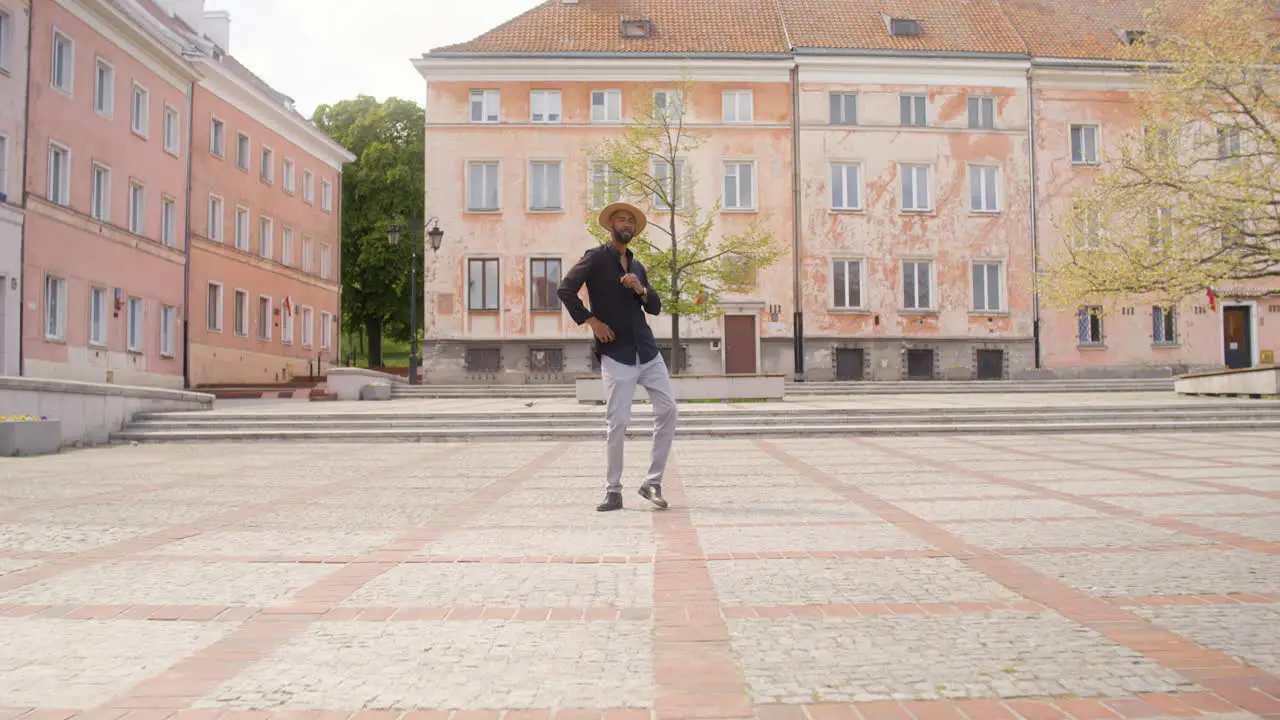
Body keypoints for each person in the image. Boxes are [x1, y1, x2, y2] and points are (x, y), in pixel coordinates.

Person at [558, 201, 678, 512]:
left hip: (647, 351)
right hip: (616, 353)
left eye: (630, 221)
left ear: (634, 229)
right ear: (611, 225)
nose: (625, 224)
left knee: (668, 410)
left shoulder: (638, 267)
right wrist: (591, 321)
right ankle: (613, 490)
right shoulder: (596, 258)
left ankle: (652, 481)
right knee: (618, 422)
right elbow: (566, 290)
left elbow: (654, 307)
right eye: (620, 219)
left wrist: (641, 289)